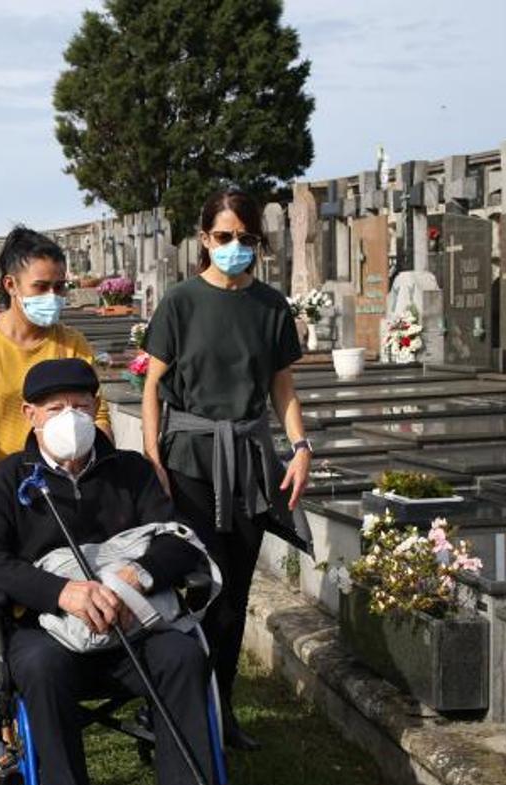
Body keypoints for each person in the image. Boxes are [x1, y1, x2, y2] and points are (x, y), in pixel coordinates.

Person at [0, 358, 234, 785]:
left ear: (97, 410)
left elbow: (177, 541)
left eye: (82, 407)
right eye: (57, 409)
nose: (72, 418)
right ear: (30, 415)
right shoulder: (4, 482)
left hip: (132, 628)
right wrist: (62, 591)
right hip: (51, 632)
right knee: (38, 667)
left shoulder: (130, 471)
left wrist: (137, 573)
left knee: (182, 655)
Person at [141, 188, 313, 752]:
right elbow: (151, 390)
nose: (234, 247)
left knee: (234, 594)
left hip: (246, 461)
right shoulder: (180, 303)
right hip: (189, 462)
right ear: (203, 238)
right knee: (192, 587)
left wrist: (301, 447)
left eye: (245, 239)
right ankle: (172, 707)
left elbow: (280, 386)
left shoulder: (270, 307)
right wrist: (154, 460)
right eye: (223, 237)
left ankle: (222, 707)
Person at [0, 226, 110, 538]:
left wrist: (98, 463)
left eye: (60, 287)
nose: (53, 297)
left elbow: (97, 414)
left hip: (63, 486)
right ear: (10, 285)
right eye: (41, 287)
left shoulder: (73, 343)